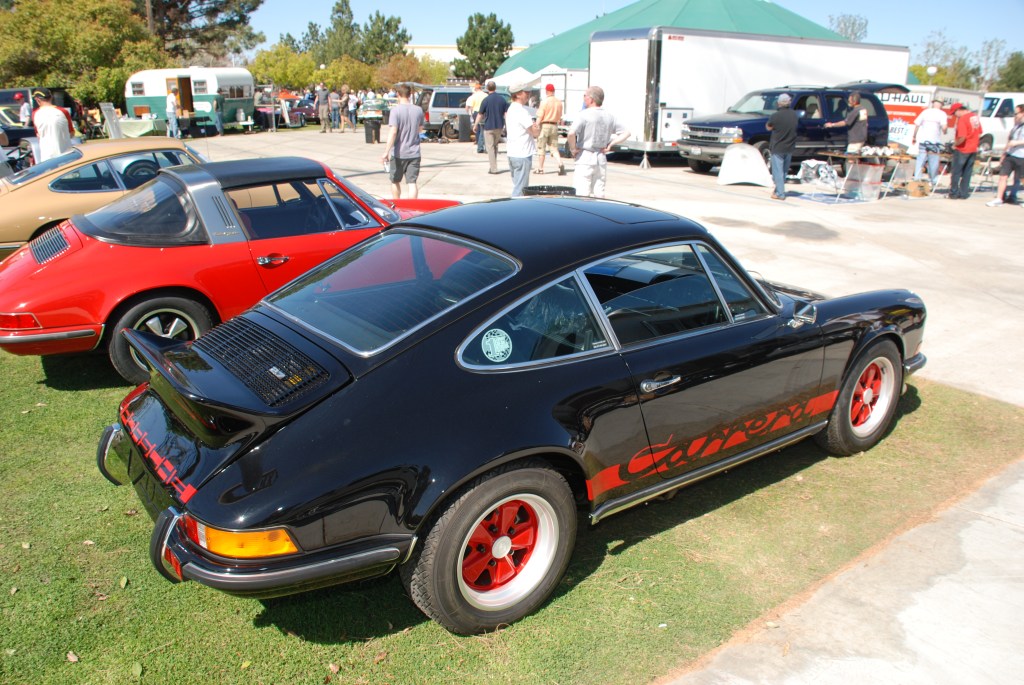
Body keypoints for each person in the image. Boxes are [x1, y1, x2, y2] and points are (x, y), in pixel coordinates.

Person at [567, 86, 630, 198]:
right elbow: (626, 133)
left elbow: (571, 133)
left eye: (585, 96)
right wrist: (610, 144)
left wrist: (573, 148)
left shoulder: (583, 115)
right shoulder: (609, 116)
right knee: (599, 194)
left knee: (581, 194)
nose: (584, 98)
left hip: (585, 157)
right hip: (601, 157)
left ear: (591, 99)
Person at [380, 83, 424, 199]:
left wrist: (386, 151)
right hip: (414, 152)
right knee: (412, 182)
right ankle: (412, 206)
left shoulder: (395, 111)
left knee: (395, 181)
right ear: (410, 95)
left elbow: (393, 132)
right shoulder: (418, 110)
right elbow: (420, 129)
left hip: (398, 153)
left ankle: (397, 203)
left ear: (398, 94)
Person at [505, 83, 540, 197]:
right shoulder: (521, 111)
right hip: (522, 153)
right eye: (526, 92)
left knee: (518, 185)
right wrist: (537, 127)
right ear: (518, 94)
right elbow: (535, 132)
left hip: (513, 152)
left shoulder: (511, 108)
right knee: (521, 190)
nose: (528, 95)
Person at [986, 104, 1024, 207]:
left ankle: (1014, 196)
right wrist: (1004, 153)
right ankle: (999, 198)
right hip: (1010, 154)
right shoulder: (1016, 125)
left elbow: (1015, 141)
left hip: (1021, 156)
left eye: (1016, 113)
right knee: (1003, 176)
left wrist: (1017, 143)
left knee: (1021, 178)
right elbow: (1010, 139)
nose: (1015, 116)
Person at [766, 92, 798, 200]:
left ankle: (780, 193)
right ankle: (778, 190)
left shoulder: (775, 116)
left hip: (778, 147)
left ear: (779, 103)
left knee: (777, 172)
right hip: (789, 146)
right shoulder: (794, 115)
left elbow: (768, 127)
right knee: (784, 171)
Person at [911, 99, 948, 186]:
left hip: (923, 141)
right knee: (933, 163)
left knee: (920, 161)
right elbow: (944, 127)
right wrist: (945, 132)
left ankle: (917, 179)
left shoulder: (925, 112)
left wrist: (914, 136)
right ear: (941, 105)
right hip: (934, 142)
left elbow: (917, 125)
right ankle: (933, 180)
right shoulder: (942, 114)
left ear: (933, 104)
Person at [949, 102, 981, 200]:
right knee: (967, 172)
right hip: (973, 149)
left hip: (963, 149)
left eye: (954, 113)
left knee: (956, 172)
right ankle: (964, 193)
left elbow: (962, 137)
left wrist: (955, 145)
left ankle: (954, 193)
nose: (954, 115)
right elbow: (979, 132)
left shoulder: (962, 119)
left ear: (959, 110)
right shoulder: (974, 117)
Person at [31, 88, 73, 162]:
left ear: (37, 99)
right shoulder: (63, 111)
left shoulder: (35, 114)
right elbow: (71, 133)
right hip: (66, 156)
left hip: (47, 158)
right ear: (51, 97)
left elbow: (38, 135)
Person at [476, 80, 508, 174]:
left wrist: (475, 124)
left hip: (489, 127)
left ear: (487, 88)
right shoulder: (502, 99)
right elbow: (506, 114)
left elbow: (480, 114)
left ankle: (493, 168)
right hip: (499, 126)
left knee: (490, 148)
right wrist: (507, 125)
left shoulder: (486, 100)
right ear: (495, 87)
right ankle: (492, 166)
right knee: (495, 146)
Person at [535, 83, 566, 175]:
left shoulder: (544, 101)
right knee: (554, 147)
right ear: (554, 91)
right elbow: (560, 116)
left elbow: (540, 115)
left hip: (545, 125)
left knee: (541, 147)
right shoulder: (559, 102)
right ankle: (560, 163)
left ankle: (540, 168)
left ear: (546, 91)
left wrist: (536, 124)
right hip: (554, 125)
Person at [465, 82, 487, 153]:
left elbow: (470, 107)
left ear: (475, 89)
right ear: (481, 88)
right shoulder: (485, 95)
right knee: (483, 129)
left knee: (477, 129)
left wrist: (471, 115)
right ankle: (483, 145)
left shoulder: (473, 96)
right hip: (484, 113)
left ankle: (478, 143)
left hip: (476, 112)